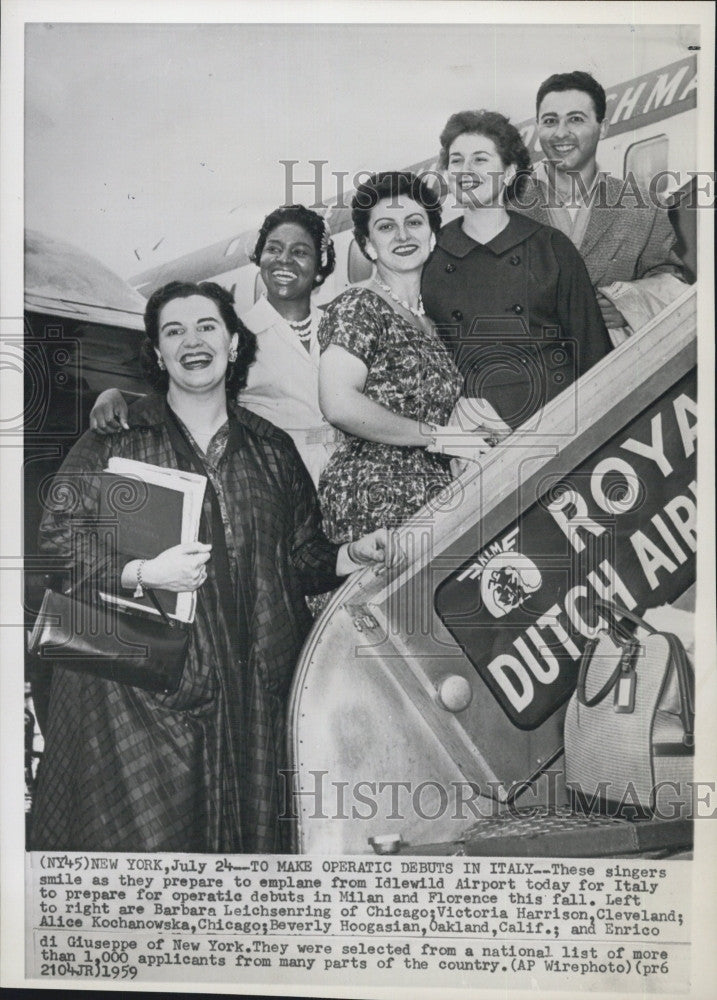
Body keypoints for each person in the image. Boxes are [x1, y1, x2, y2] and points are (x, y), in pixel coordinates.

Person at [31, 280, 396, 854]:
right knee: (144, 868)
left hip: (251, 691)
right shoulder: (115, 439)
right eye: (173, 331)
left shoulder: (271, 448)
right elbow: (57, 539)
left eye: (206, 327)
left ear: (232, 344)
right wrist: (144, 572)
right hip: (135, 697)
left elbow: (301, 560)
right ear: (156, 353)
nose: (191, 341)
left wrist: (355, 553)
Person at [91, 205, 339, 487]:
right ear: (259, 258)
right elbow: (182, 396)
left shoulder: (343, 326)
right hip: (274, 476)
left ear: (320, 262)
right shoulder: (235, 335)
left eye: (300, 252)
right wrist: (114, 395)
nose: (284, 260)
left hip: (346, 474)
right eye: (273, 249)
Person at [422, 110, 612, 431]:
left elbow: (594, 354)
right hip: (474, 434)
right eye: (456, 161)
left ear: (509, 172)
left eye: (480, 159)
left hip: (557, 420)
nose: (465, 171)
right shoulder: (430, 255)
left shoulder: (550, 247)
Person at [316, 171, 475, 547]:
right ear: (367, 244)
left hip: (432, 498)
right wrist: (438, 437)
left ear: (432, 235)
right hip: (375, 501)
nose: (403, 236)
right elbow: (338, 403)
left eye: (414, 222)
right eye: (386, 227)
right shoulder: (358, 305)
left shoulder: (430, 319)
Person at [513, 71, 686, 344]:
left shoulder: (644, 208)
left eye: (576, 119)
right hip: (531, 367)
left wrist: (627, 305)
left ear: (603, 127)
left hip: (610, 371)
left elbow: (670, 282)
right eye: (549, 121)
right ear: (538, 128)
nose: (560, 132)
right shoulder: (507, 207)